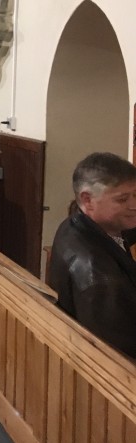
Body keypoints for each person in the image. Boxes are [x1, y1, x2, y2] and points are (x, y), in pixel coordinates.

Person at [48, 152, 136, 359]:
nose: (134, 205)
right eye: (122, 199)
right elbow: (120, 349)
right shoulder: (98, 275)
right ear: (87, 200)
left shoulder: (78, 223)